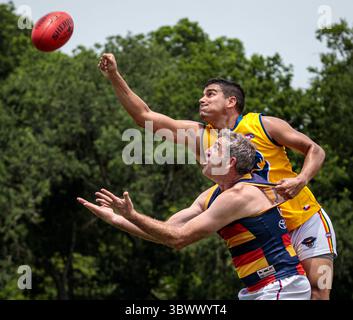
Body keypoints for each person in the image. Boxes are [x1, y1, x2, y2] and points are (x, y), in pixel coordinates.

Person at [97, 53, 336, 300]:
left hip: (304, 216)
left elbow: (315, 150)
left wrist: (301, 179)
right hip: (259, 222)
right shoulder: (202, 137)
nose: (202, 99)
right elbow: (144, 117)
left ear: (231, 100)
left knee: (319, 292)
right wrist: (114, 76)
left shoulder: (263, 124)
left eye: (210, 93)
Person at [78, 132, 311, 300]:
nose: (207, 150)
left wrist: (132, 215)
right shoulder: (213, 195)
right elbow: (166, 232)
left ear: (230, 162)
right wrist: (117, 219)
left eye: (216, 148)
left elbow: (178, 239)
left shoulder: (240, 194)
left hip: (282, 286)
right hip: (259, 290)